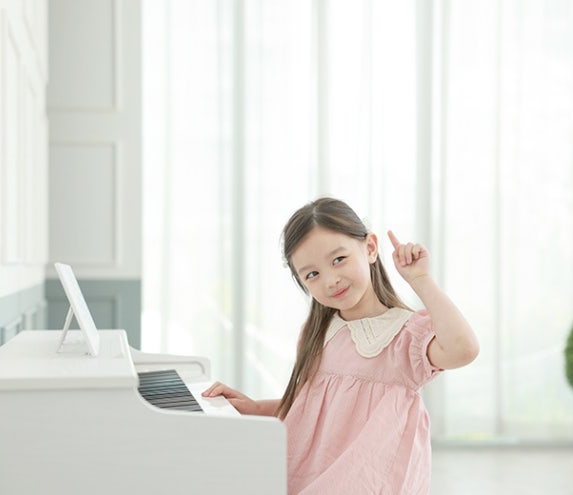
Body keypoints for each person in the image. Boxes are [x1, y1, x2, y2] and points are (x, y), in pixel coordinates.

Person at [202, 197, 479, 494]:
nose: (331, 280)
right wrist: (256, 408)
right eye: (312, 274)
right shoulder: (317, 333)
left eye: (338, 260)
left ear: (370, 248)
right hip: (309, 478)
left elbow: (464, 349)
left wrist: (420, 279)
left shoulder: (404, 336)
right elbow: (311, 410)